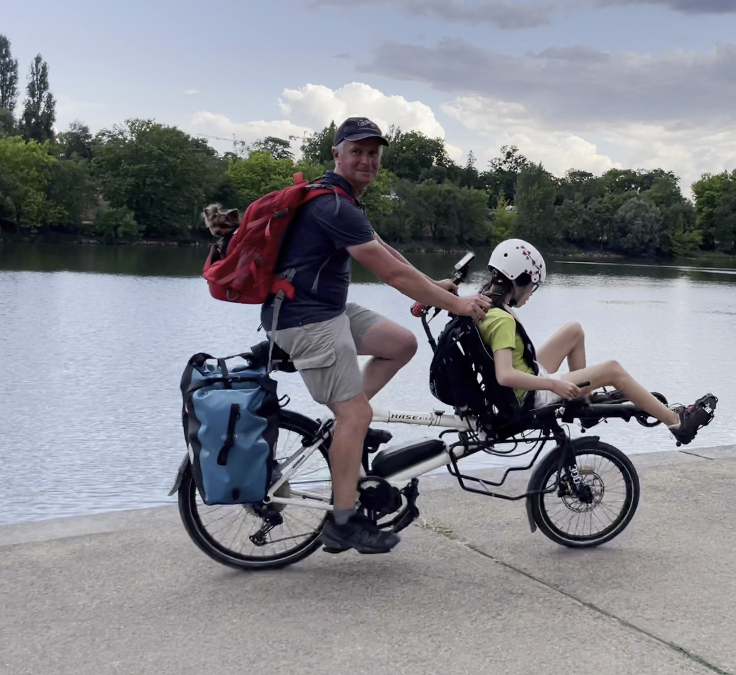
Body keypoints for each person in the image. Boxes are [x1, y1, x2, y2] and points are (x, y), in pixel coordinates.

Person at [265, 116, 491, 555]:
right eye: (357, 151)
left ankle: (344, 430)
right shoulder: (332, 205)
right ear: (337, 153)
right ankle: (343, 521)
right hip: (304, 320)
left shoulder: (344, 200)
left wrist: (434, 287)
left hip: (326, 311)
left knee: (400, 344)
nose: (367, 160)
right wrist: (459, 305)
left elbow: (390, 253)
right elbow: (387, 272)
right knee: (356, 416)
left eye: (373, 153)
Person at [475, 239, 711, 445]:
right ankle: (676, 422)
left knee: (574, 330)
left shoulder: (484, 305)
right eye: (532, 286)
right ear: (520, 280)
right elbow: (504, 375)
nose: (531, 293)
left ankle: (583, 402)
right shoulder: (503, 320)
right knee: (613, 369)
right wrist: (553, 385)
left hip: (525, 377)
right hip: (530, 394)